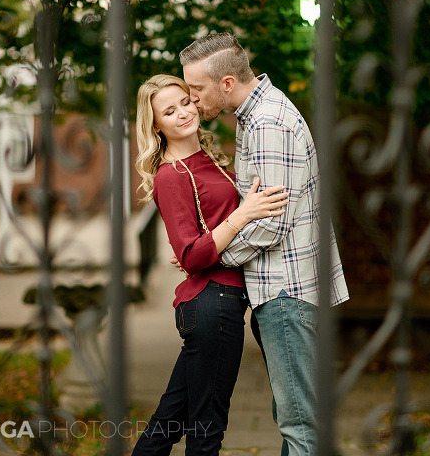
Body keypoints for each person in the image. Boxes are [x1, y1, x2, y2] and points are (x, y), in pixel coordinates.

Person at [178, 32, 350, 456]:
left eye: (196, 90)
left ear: (227, 84)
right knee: (295, 418)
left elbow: (268, 226)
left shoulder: (269, 123)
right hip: (285, 290)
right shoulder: (255, 117)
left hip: (286, 293)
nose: (193, 101)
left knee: (300, 425)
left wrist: (209, 256)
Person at [132, 74, 290, 455]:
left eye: (185, 102)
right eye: (169, 111)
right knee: (207, 428)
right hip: (212, 305)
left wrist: (206, 241)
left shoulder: (204, 158)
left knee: (169, 421)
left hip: (217, 301)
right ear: (156, 126)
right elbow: (192, 256)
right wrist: (244, 215)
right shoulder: (172, 174)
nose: (184, 113)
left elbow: (196, 242)